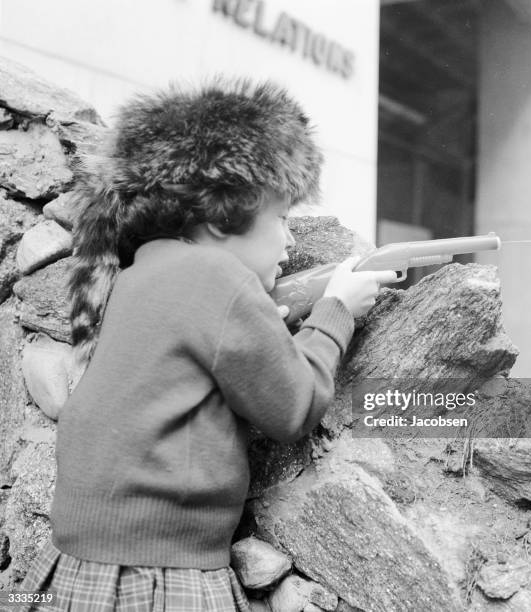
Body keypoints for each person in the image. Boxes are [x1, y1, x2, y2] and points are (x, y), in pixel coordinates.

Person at [18, 78, 397, 611]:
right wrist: (337, 310)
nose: (290, 239)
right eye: (282, 218)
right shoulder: (219, 277)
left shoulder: (144, 268)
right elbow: (293, 406)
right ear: (222, 216)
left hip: (72, 563)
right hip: (158, 576)